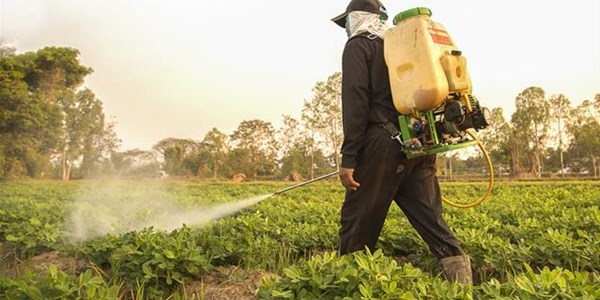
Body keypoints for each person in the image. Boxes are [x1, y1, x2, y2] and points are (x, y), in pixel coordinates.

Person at [331, 0, 473, 284]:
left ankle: (347, 285)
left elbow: (356, 103)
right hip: (418, 143)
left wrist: (349, 158)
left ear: (357, 18)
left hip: (381, 146)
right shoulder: (403, 47)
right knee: (431, 219)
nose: (346, 27)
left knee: (358, 219)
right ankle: (462, 284)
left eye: (347, 21)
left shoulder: (360, 46)